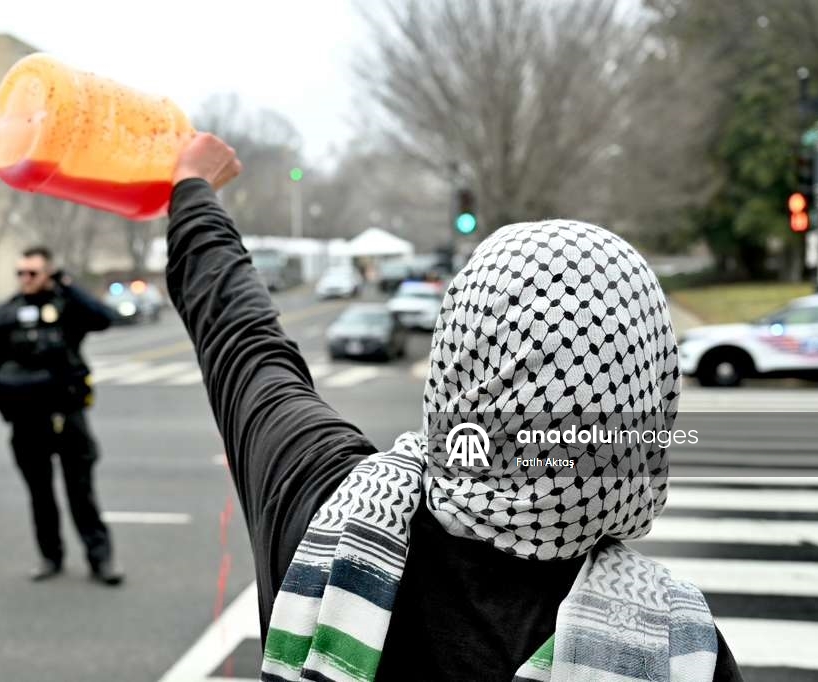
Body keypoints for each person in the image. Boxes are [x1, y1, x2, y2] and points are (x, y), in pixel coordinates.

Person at [166, 134, 742, 681]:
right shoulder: (680, 654)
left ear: (455, 364)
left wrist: (193, 190)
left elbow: (247, 348)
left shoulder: (327, 512)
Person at [0, 246, 123, 586]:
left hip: (67, 417)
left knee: (81, 492)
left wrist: (66, 285)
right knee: (40, 494)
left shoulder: (67, 307)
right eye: (20, 273)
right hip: (26, 422)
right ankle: (50, 556)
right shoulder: (6, 314)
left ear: (48, 274)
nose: (25, 279)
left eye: (33, 273)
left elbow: (103, 319)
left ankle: (101, 559)